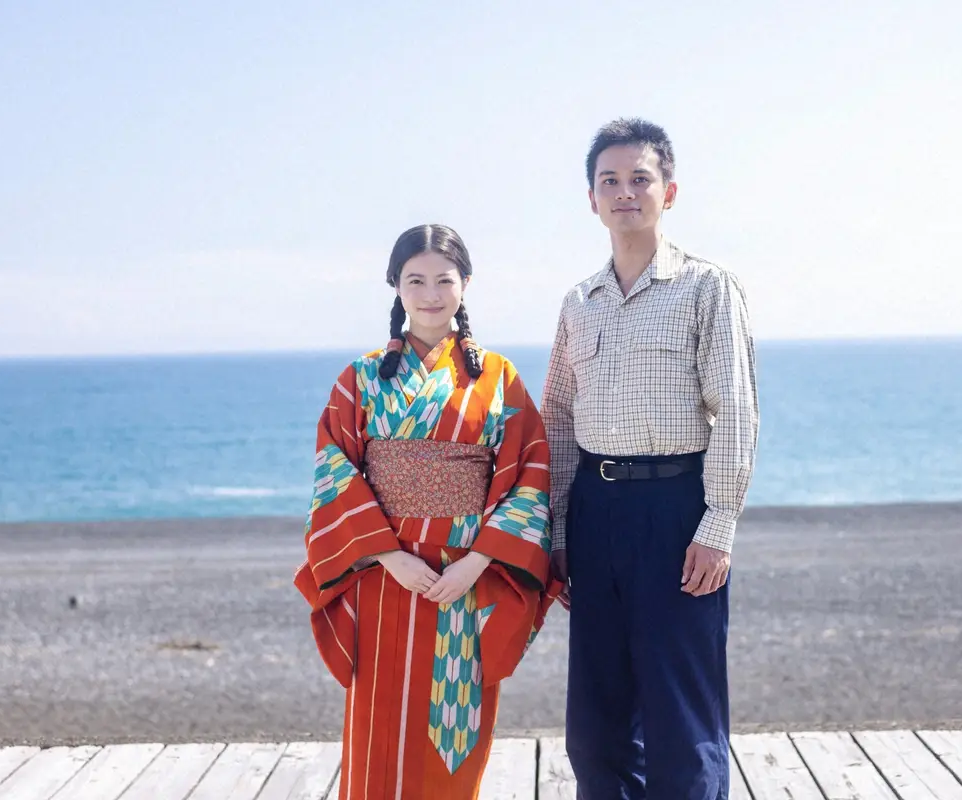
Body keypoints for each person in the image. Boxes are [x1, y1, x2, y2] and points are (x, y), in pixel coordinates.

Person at [294, 223, 561, 800]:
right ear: (395, 286)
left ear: (466, 283)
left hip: (464, 578)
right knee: (378, 733)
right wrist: (388, 556)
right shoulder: (359, 379)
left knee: (453, 735)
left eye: (444, 279)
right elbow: (333, 473)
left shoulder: (498, 378)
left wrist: (478, 562)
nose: (431, 293)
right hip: (383, 579)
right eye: (416, 280)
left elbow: (531, 474)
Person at [541, 118, 760, 799]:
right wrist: (555, 533)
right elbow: (557, 417)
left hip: (676, 510)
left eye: (640, 178)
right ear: (591, 199)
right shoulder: (579, 302)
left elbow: (737, 410)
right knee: (596, 726)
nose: (625, 192)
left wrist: (717, 524)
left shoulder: (707, 287)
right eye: (610, 181)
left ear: (669, 190)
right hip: (595, 514)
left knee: (680, 718)